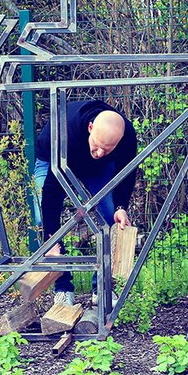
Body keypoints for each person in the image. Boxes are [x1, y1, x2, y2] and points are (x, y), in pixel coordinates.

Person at [33, 100, 138, 306]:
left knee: (110, 218)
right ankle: (62, 289)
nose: (99, 153)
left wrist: (121, 207)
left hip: (97, 169)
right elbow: (52, 191)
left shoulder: (126, 137)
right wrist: (50, 238)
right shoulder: (67, 134)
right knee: (41, 217)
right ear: (91, 128)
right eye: (97, 146)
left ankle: (102, 288)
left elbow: (126, 174)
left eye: (107, 149)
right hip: (53, 159)